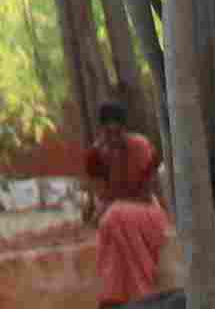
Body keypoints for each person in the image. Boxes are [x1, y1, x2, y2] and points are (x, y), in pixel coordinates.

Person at [87, 121, 174, 309]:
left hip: (148, 213)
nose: (113, 138)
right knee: (111, 229)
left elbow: (147, 195)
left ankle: (141, 294)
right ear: (101, 133)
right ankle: (113, 298)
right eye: (108, 133)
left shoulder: (141, 147)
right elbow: (100, 195)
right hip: (116, 217)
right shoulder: (96, 154)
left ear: (124, 131)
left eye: (117, 132)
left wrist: (114, 204)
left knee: (114, 216)